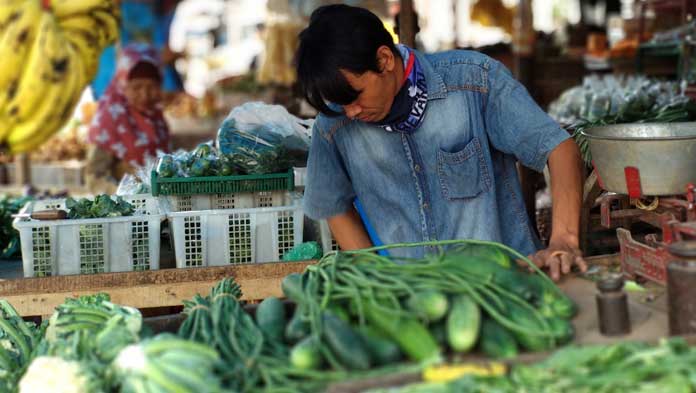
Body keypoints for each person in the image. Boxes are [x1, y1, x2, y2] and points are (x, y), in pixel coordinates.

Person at [296, 5, 587, 281]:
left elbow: (558, 148)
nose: (351, 112)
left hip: (511, 284)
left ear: (384, 60)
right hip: (421, 304)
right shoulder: (333, 126)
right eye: (340, 104)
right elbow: (331, 205)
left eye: (355, 96)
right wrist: (378, 279)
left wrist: (563, 239)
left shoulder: (474, 81)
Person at [85, 44, 170, 194]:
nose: (145, 95)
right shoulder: (107, 121)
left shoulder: (156, 117)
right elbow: (94, 178)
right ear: (123, 84)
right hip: (126, 209)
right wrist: (129, 195)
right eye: (137, 87)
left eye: (152, 87)